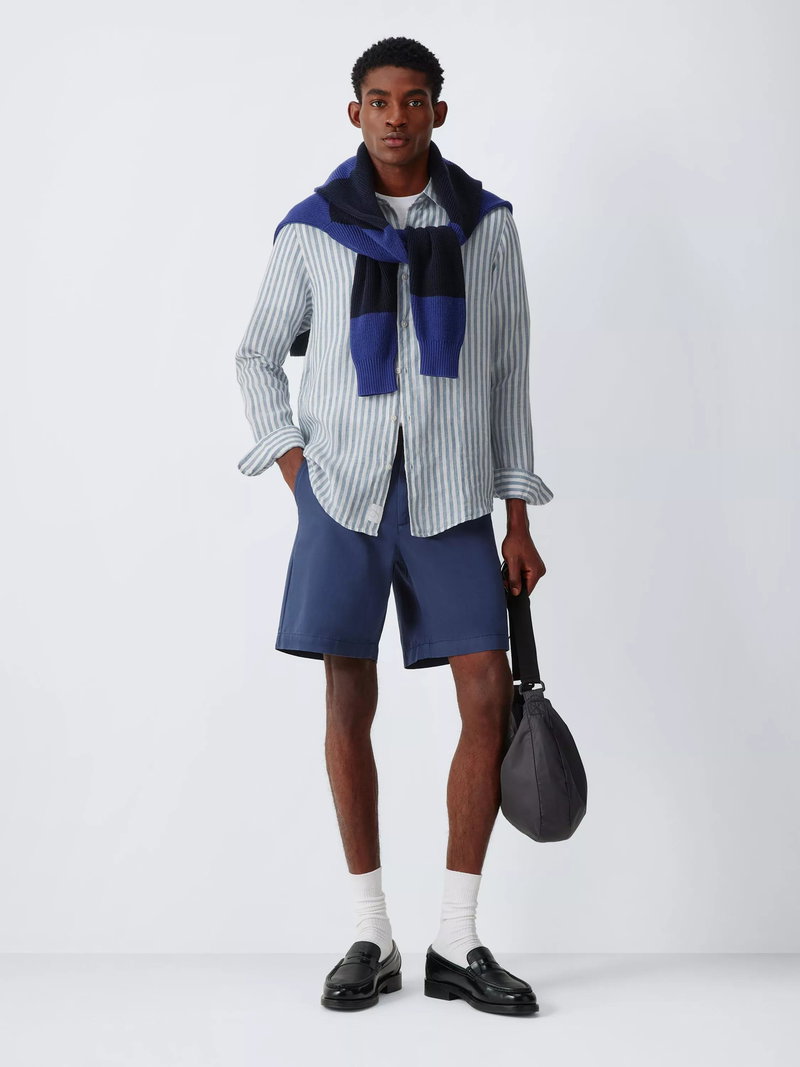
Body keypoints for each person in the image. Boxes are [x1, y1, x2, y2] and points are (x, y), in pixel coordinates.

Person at [234, 36, 553, 1016]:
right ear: (355, 113)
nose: (396, 117)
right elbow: (255, 356)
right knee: (347, 697)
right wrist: (297, 473)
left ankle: (455, 938)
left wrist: (517, 514)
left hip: (453, 492)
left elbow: (506, 372)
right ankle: (369, 932)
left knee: (486, 694)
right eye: (378, 100)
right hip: (342, 494)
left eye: (414, 100)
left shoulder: (485, 227)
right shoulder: (312, 231)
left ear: (437, 113)